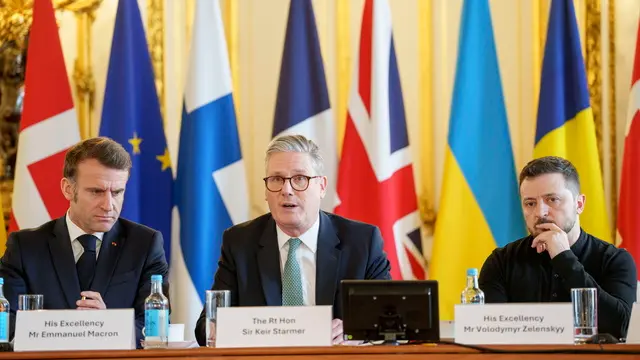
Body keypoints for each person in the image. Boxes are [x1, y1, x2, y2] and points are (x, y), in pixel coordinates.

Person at [194, 134, 391, 346]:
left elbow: (389, 318)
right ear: (266, 190)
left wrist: (357, 329)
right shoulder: (240, 243)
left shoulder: (362, 242)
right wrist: (218, 329)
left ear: (322, 186)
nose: (286, 190)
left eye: (300, 179)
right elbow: (207, 324)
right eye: (276, 179)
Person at [0, 137, 169, 344]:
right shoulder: (25, 247)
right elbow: (6, 322)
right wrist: (79, 330)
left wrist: (108, 325)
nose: (108, 205)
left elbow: (156, 327)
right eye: (96, 191)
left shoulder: (145, 244)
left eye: (117, 192)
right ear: (68, 189)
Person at [479, 156, 636, 339]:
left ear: (579, 204)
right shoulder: (501, 262)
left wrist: (564, 258)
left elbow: (623, 328)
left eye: (552, 200)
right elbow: (490, 334)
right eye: (530, 203)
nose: (540, 212)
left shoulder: (615, 260)